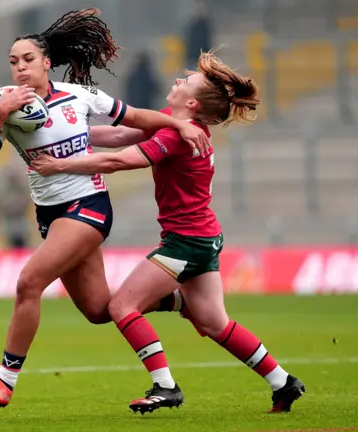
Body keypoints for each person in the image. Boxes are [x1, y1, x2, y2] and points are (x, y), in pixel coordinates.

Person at [31, 50, 306, 414]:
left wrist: (59, 164)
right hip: (203, 237)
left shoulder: (177, 138)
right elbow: (114, 137)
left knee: (121, 306)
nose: (176, 81)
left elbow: (119, 161)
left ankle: (165, 387)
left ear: (191, 103)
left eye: (184, 82)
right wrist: (51, 132)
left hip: (185, 242)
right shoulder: (173, 125)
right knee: (213, 322)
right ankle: (283, 382)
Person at [0, 8, 210, 408]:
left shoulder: (76, 96)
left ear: (47, 63)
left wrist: (178, 124)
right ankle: (181, 302)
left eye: (28, 59)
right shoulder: (5, 110)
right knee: (101, 309)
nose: (20, 68)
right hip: (51, 216)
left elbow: (132, 117)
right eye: (13, 62)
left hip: (87, 208)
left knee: (28, 282)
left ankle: (4, 382)